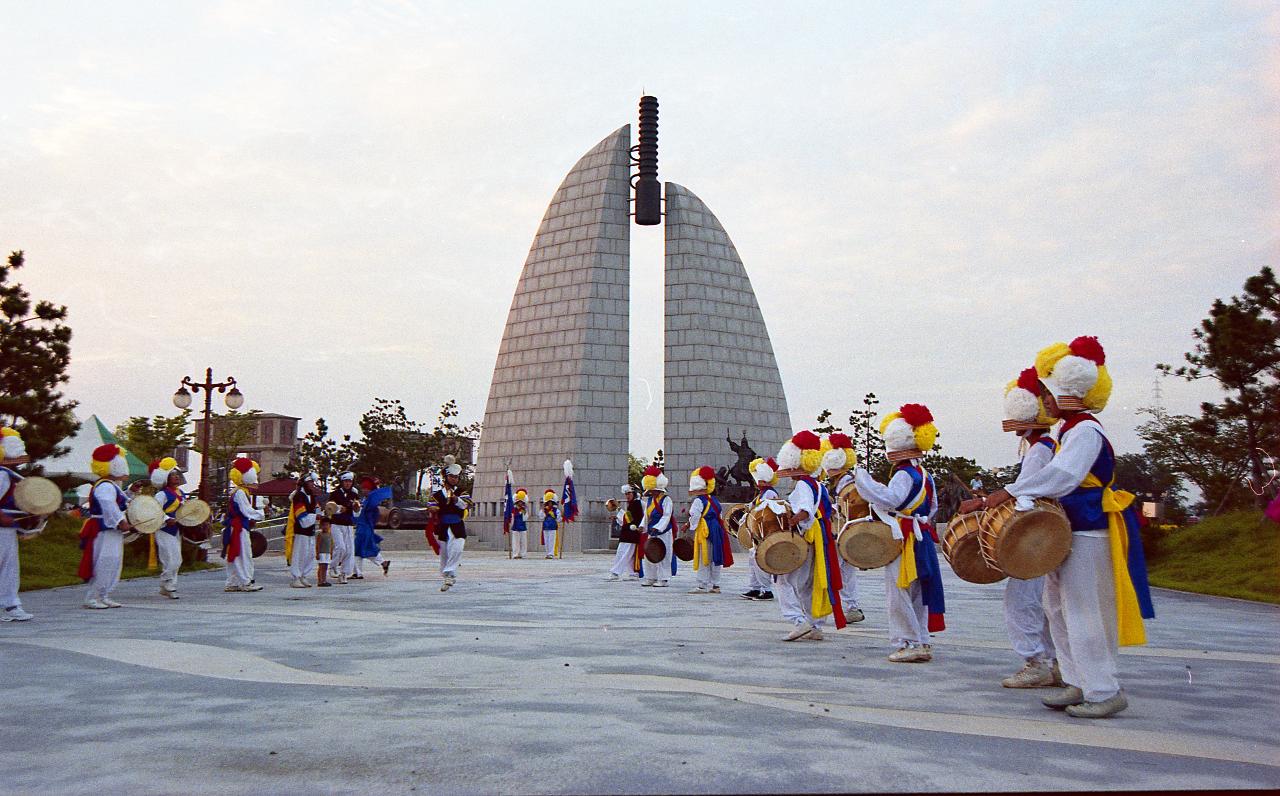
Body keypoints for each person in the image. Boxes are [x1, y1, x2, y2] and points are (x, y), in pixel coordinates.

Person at [985, 337, 1153, 718]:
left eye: (1047, 393)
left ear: (1064, 393)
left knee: (1083, 611)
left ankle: (1104, 689)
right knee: (1056, 607)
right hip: (1068, 531)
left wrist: (1007, 492)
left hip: (1089, 531)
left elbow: (1063, 476)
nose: (1043, 402)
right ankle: (1077, 680)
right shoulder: (1067, 431)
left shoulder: (1086, 431)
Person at [960, 367, 1062, 688]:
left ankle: (1036, 662)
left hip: (1034, 539)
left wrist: (984, 503)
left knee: (1021, 602)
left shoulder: (1041, 449)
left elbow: (1026, 492)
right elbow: (1023, 488)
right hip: (1046, 537)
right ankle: (1053, 662)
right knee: (1044, 604)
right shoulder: (1042, 447)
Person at [854, 405, 945, 662]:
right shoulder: (925, 475)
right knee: (918, 591)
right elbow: (934, 505)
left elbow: (891, 499)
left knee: (899, 590)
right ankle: (922, 640)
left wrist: (864, 481)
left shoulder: (904, 474)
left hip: (904, 536)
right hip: (922, 534)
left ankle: (908, 641)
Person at [773, 431, 845, 641]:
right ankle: (814, 625)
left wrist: (791, 521)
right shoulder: (819, 485)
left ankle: (798, 621)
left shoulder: (804, 484)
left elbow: (805, 510)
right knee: (808, 583)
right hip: (819, 537)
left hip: (806, 536)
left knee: (784, 579)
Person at [79, 444, 134, 609]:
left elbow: (120, 501)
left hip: (110, 528)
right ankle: (93, 596)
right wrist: (120, 521)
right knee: (104, 561)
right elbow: (108, 504)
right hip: (103, 527)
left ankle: (104, 594)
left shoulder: (112, 485)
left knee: (113, 561)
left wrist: (130, 493)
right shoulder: (105, 485)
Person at [822, 434, 865, 623]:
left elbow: (850, 505)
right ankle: (851, 607)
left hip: (842, 529)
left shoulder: (847, 482)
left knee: (837, 569)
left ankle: (839, 606)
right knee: (846, 571)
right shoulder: (844, 480)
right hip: (842, 529)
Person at [0, 428, 34, 621]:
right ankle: (9, 605)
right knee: (6, 567)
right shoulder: (2, 475)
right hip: (2, 527)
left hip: (7, 529)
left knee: (9, 567)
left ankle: (10, 605)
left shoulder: (7, 474)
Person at [688, 466, 733, 594]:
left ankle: (702, 584)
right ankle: (716, 585)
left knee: (705, 556)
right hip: (716, 529)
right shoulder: (714, 500)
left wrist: (692, 526)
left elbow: (695, 515)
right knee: (716, 555)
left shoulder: (698, 501)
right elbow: (719, 515)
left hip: (705, 529)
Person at [223, 457, 265, 592]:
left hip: (237, 526)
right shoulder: (240, 492)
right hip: (239, 527)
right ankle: (245, 582)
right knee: (243, 554)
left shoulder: (239, 491)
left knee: (236, 554)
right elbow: (246, 511)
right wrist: (260, 514)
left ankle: (232, 582)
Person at [738, 457, 777, 602]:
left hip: (765, 531)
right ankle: (755, 587)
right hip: (757, 531)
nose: (756, 482)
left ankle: (766, 590)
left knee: (760, 559)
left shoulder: (770, 494)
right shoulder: (762, 493)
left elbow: (767, 512)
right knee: (753, 559)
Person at [149, 457, 186, 599]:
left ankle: (169, 586)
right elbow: (155, 509)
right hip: (164, 529)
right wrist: (167, 519)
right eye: (173, 475)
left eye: (177, 475)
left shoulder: (180, 493)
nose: (177, 477)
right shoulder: (162, 494)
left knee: (177, 559)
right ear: (166, 478)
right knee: (171, 559)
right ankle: (166, 583)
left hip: (176, 529)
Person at [431, 455, 469, 591]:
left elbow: (467, 505)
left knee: (457, 549)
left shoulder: (461, 492)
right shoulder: (437, 494)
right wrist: (432, 508)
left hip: (457, 525)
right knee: (445, 554)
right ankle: (446, 575)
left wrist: (456, 499)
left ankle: (450, 574)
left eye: (456, 477)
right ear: (446, 477)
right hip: (443, 526)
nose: (454, 479)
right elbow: (431, 505)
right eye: (452, 476)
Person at [639, 465, 673, 587]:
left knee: (663, 554)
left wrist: (658, 527)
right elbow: (646, 516)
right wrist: (643, 526)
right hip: (652, 532)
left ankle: (663, 579)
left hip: (663, 532)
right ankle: (650, 577)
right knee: (649, 554)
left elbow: (666, 516)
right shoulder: (649, 501)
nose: (650, 492)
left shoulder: (666, 500)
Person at [287, 473, 321, 588]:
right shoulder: (299, 496)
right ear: (305, 483)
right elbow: (301, 516)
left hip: (310, 530)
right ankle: (296, 577)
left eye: (313, 482)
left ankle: (303, 575)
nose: (312, 484)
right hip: (301, 531)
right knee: (299, 554)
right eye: (310, 482)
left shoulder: (311, 495)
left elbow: (317, 509)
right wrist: (315, 517)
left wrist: (322, 513)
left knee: (310, 554)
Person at [353, 479, 393, 576]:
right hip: (364, 528)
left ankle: (358, 572)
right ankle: (382, 563)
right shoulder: (366, 501)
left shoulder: (370, 503)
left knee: (360, 550)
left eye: (366, 489)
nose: (363, 490)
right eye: (363, 488)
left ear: (370, 490)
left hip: (364, 528)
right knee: (362, 550)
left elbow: (372, 516)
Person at [327, 472, 359, 584]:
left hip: (348, 524)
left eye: (350, 481)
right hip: (336, 523)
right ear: (342, 482)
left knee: (349, 551)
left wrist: (356, 508)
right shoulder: (335, 494)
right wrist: (340, 508)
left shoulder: (354, 494)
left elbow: (356, 511)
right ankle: (333, 566)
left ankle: (344, 574)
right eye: (346, 481)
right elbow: (329, 508)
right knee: (341, 547)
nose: (348, 483)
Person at [606, 485, 643, 581]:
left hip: (631, 534)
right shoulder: (633, 504)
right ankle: (633, 573)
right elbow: (627, 518)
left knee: (624, 554)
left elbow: (629, 518)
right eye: (626, 494)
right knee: (628, 554)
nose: (627, 496)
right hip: (628, 533)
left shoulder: (636, 504)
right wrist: (617, 517)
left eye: (629, 494)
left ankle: (615, 572)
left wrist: (618, 508)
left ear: (634, 493)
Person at [315, 516, 334, 587]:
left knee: (325, 567)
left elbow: (332, 544)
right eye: (323, 525)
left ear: (330, 526)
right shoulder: (320, 534)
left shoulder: (330, 534)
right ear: (321, 526)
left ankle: (324, 580)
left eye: (327, 525)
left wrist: (331, 553)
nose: (325, 527)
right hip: (322, 553)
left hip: (327, 553)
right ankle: (320, 581)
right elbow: (318, 544)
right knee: (321, 567)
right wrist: (317, 553)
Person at [541, 490, 560, 559]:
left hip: (552, 526)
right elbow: (541, 517)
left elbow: (558, 519)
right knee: (546, 540)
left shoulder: (556, 510)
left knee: (552, 540)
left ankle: (551, 553)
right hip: (546, 526)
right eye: (548, 502)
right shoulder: (544, 510)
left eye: (550, 502)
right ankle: (547, 553)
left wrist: (560, 516)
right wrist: (543, 510)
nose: (549, 504)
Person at [511, 489, 529, 559]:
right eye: (519, 502)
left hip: (523, 526)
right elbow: (512, 517)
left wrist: (524, 512)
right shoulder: (513, 509)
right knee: (515, 542)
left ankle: (523, 554)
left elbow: (526, 518)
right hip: (515, 526)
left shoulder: (524, 509)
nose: (520, 503)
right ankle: (515, 554)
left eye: (521, 502)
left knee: (523, 541)